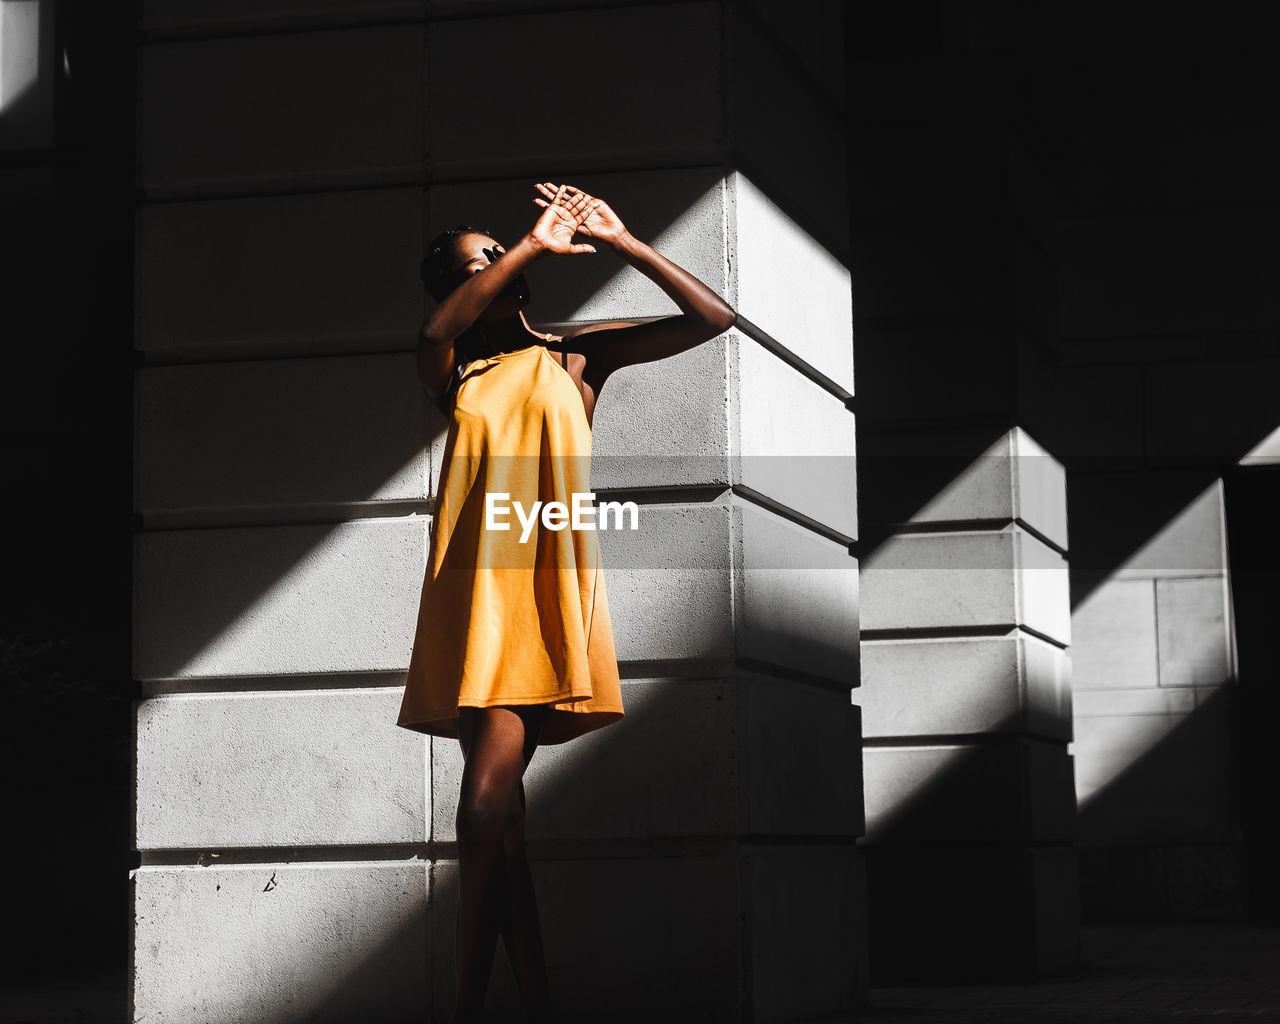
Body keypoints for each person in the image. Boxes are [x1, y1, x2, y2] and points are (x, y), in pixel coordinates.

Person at [396, 182, 735, 1022]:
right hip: (473, 602)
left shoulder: (576, 356)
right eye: (480, 260)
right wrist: (530, 245)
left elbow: (711, 319)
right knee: (501, 830)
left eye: (500, 252)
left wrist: (624, 242)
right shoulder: (456, 369)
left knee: (483, 813)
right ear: (461, 285)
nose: (501, 263)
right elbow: (436, 330)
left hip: (540, 600)